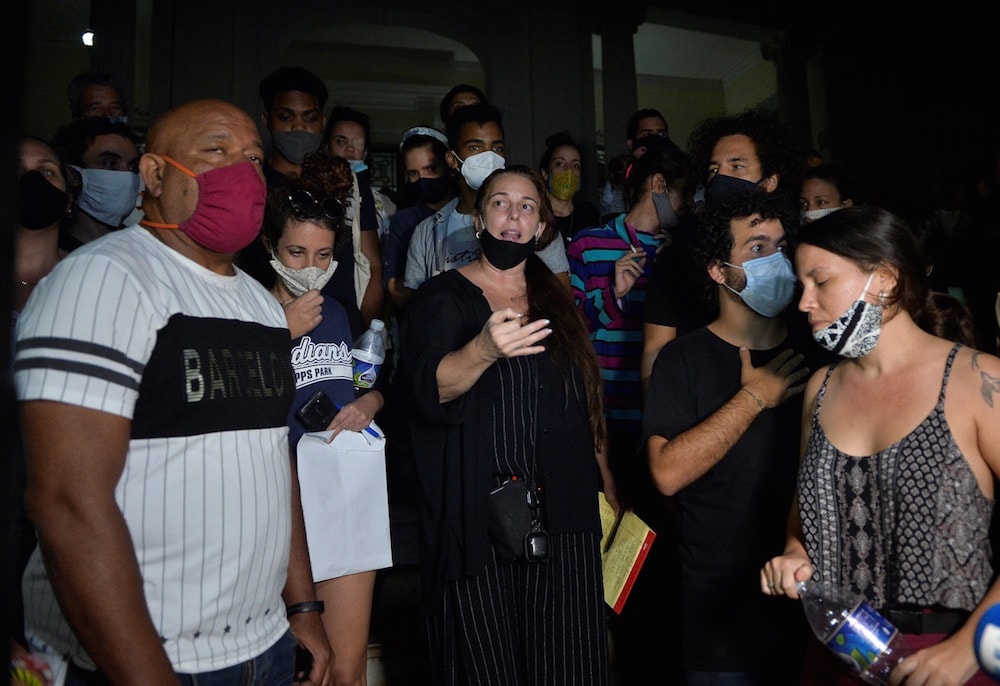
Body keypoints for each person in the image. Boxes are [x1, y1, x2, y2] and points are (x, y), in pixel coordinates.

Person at [14, 98, 333, 685]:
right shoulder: (103, 277)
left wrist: (302, 607)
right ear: (156, 175)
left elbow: (270, 459)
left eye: (255, 159)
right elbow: (66, 502)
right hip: (135, 655)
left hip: (259, 644)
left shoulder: (261, 304)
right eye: (216, 151)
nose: (242, 172)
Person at [761, 205, 1000, 685]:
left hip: (945, 658)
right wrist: (794, 553)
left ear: (886, 278)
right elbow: (802, 518)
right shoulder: (821, 387)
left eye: (820, 281)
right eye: (800, 285)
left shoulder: (978, 379)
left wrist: (970, 649)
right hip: (837, 652)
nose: (804, 302)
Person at [401, 165, 613, 685]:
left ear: (541, 226)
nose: (512, 215)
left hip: (565, 516)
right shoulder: (441, 297)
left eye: (526, 206)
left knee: (569, 663)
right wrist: (482, 350)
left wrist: (607, 483)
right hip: (478, 519)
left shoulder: (556, 301)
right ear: (478, 217)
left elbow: (585, 400)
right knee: (487, 666)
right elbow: (428, 390)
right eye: (500, 203)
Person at [644, 191, 815, 684]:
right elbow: (667, 474)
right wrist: (754, 398)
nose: (776, 260)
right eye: (758, 248)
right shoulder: (684, 359)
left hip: (809, 604)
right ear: (719, 270)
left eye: (782, 246)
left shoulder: (816, 345)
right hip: (720, 615)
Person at [262, 150, 388, 686]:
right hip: (277, 505)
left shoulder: (337, 312)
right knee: (303, 669)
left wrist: (371, 402)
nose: (309, 267)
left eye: (322, 254)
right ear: (270, 247)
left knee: (347, 666)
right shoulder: (246, 310)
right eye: (295, 252)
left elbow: (367, 384)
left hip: (345, 492)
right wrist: (277, 334)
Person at [642, 106, 801, 389]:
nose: (720, 178)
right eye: (714, 169)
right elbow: (656, 348)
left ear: (770, 181)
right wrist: (659, 414)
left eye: (736, 166)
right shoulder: (678, 255)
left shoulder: (800, 251)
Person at [403, 102, 570, 292]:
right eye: (475, 148)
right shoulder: (427, 233)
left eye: (497, 148)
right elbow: (416, 304)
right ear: (451, 159)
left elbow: (562, 297)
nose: (489, 157)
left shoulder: (531, 221)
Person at [382, 125, 454, 310]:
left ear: (448, 163)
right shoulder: (403, 221)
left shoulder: (467, 213)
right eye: (414, 173)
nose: (423, 179)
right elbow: (396, 292)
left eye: (431, 169)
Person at [49, 116, 142, 251]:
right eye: (110, 164)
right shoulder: (49, 253)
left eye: (133, 167)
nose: (127, 176)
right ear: (73, 175)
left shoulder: (142, 249)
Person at [13, 136, 70, 318]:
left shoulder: (88, 274)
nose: (32, 180)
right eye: (15, 170)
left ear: (69, 200)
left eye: (46, 172)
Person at [537, 131, 599, 243]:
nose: (568, 171)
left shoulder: (590, 213)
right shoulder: (534, 214)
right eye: (559, 164)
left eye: (575, 165)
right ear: (545, 173)